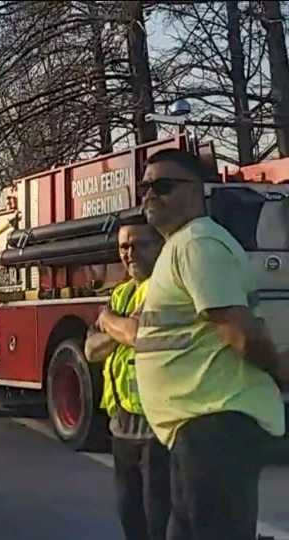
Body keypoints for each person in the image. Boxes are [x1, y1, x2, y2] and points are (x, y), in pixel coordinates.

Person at [135, 148, 288, 540]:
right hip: (199, 429)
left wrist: (281, 374)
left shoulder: (197, 244)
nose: (151, 194)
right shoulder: (183, 245)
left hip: (215, 427)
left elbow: (238, 331)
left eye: (164, 186)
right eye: (146, 186)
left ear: (199, 192)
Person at [85, 223, 170, 540]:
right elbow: (91, 350)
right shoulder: (121, 294)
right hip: (121, 424)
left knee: (159, 520)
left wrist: (108, 320)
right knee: (131, 519)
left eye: (138, 245)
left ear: (159, 246)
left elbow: (136, 335)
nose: (129, 253)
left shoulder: (162, 287)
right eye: (123, 247)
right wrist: (120, 326)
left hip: (155, 425)